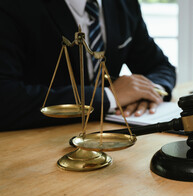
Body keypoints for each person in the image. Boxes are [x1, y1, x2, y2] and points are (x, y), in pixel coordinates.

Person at [0, 0, 176, 131]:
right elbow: (5, 98)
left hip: (107, 134)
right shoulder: (12, 6)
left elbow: (161, 67)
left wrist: (148, 92)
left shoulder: (125, 4)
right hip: (35, 142)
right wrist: (108, 97)